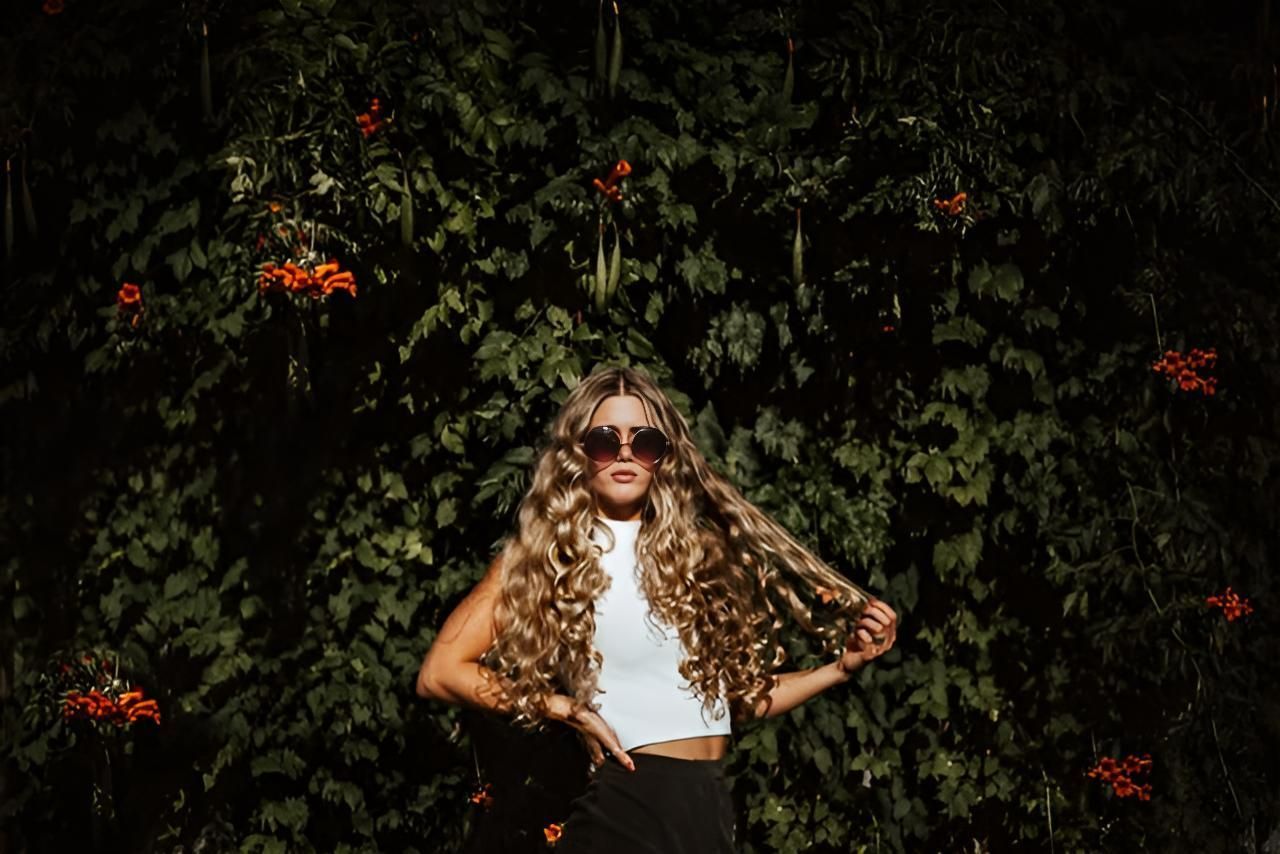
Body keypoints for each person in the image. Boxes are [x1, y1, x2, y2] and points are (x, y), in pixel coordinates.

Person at [416, 365, 898, 853]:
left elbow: (732, 703)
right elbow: (439, 672)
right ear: (578, 453)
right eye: (605, 441)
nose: (625, 453)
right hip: (627, 811)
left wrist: (840, 668)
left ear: (663, 457)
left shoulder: (691, 557)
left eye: (644, 441)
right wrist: (563, 708)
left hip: (706, 809)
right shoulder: (551, 556)